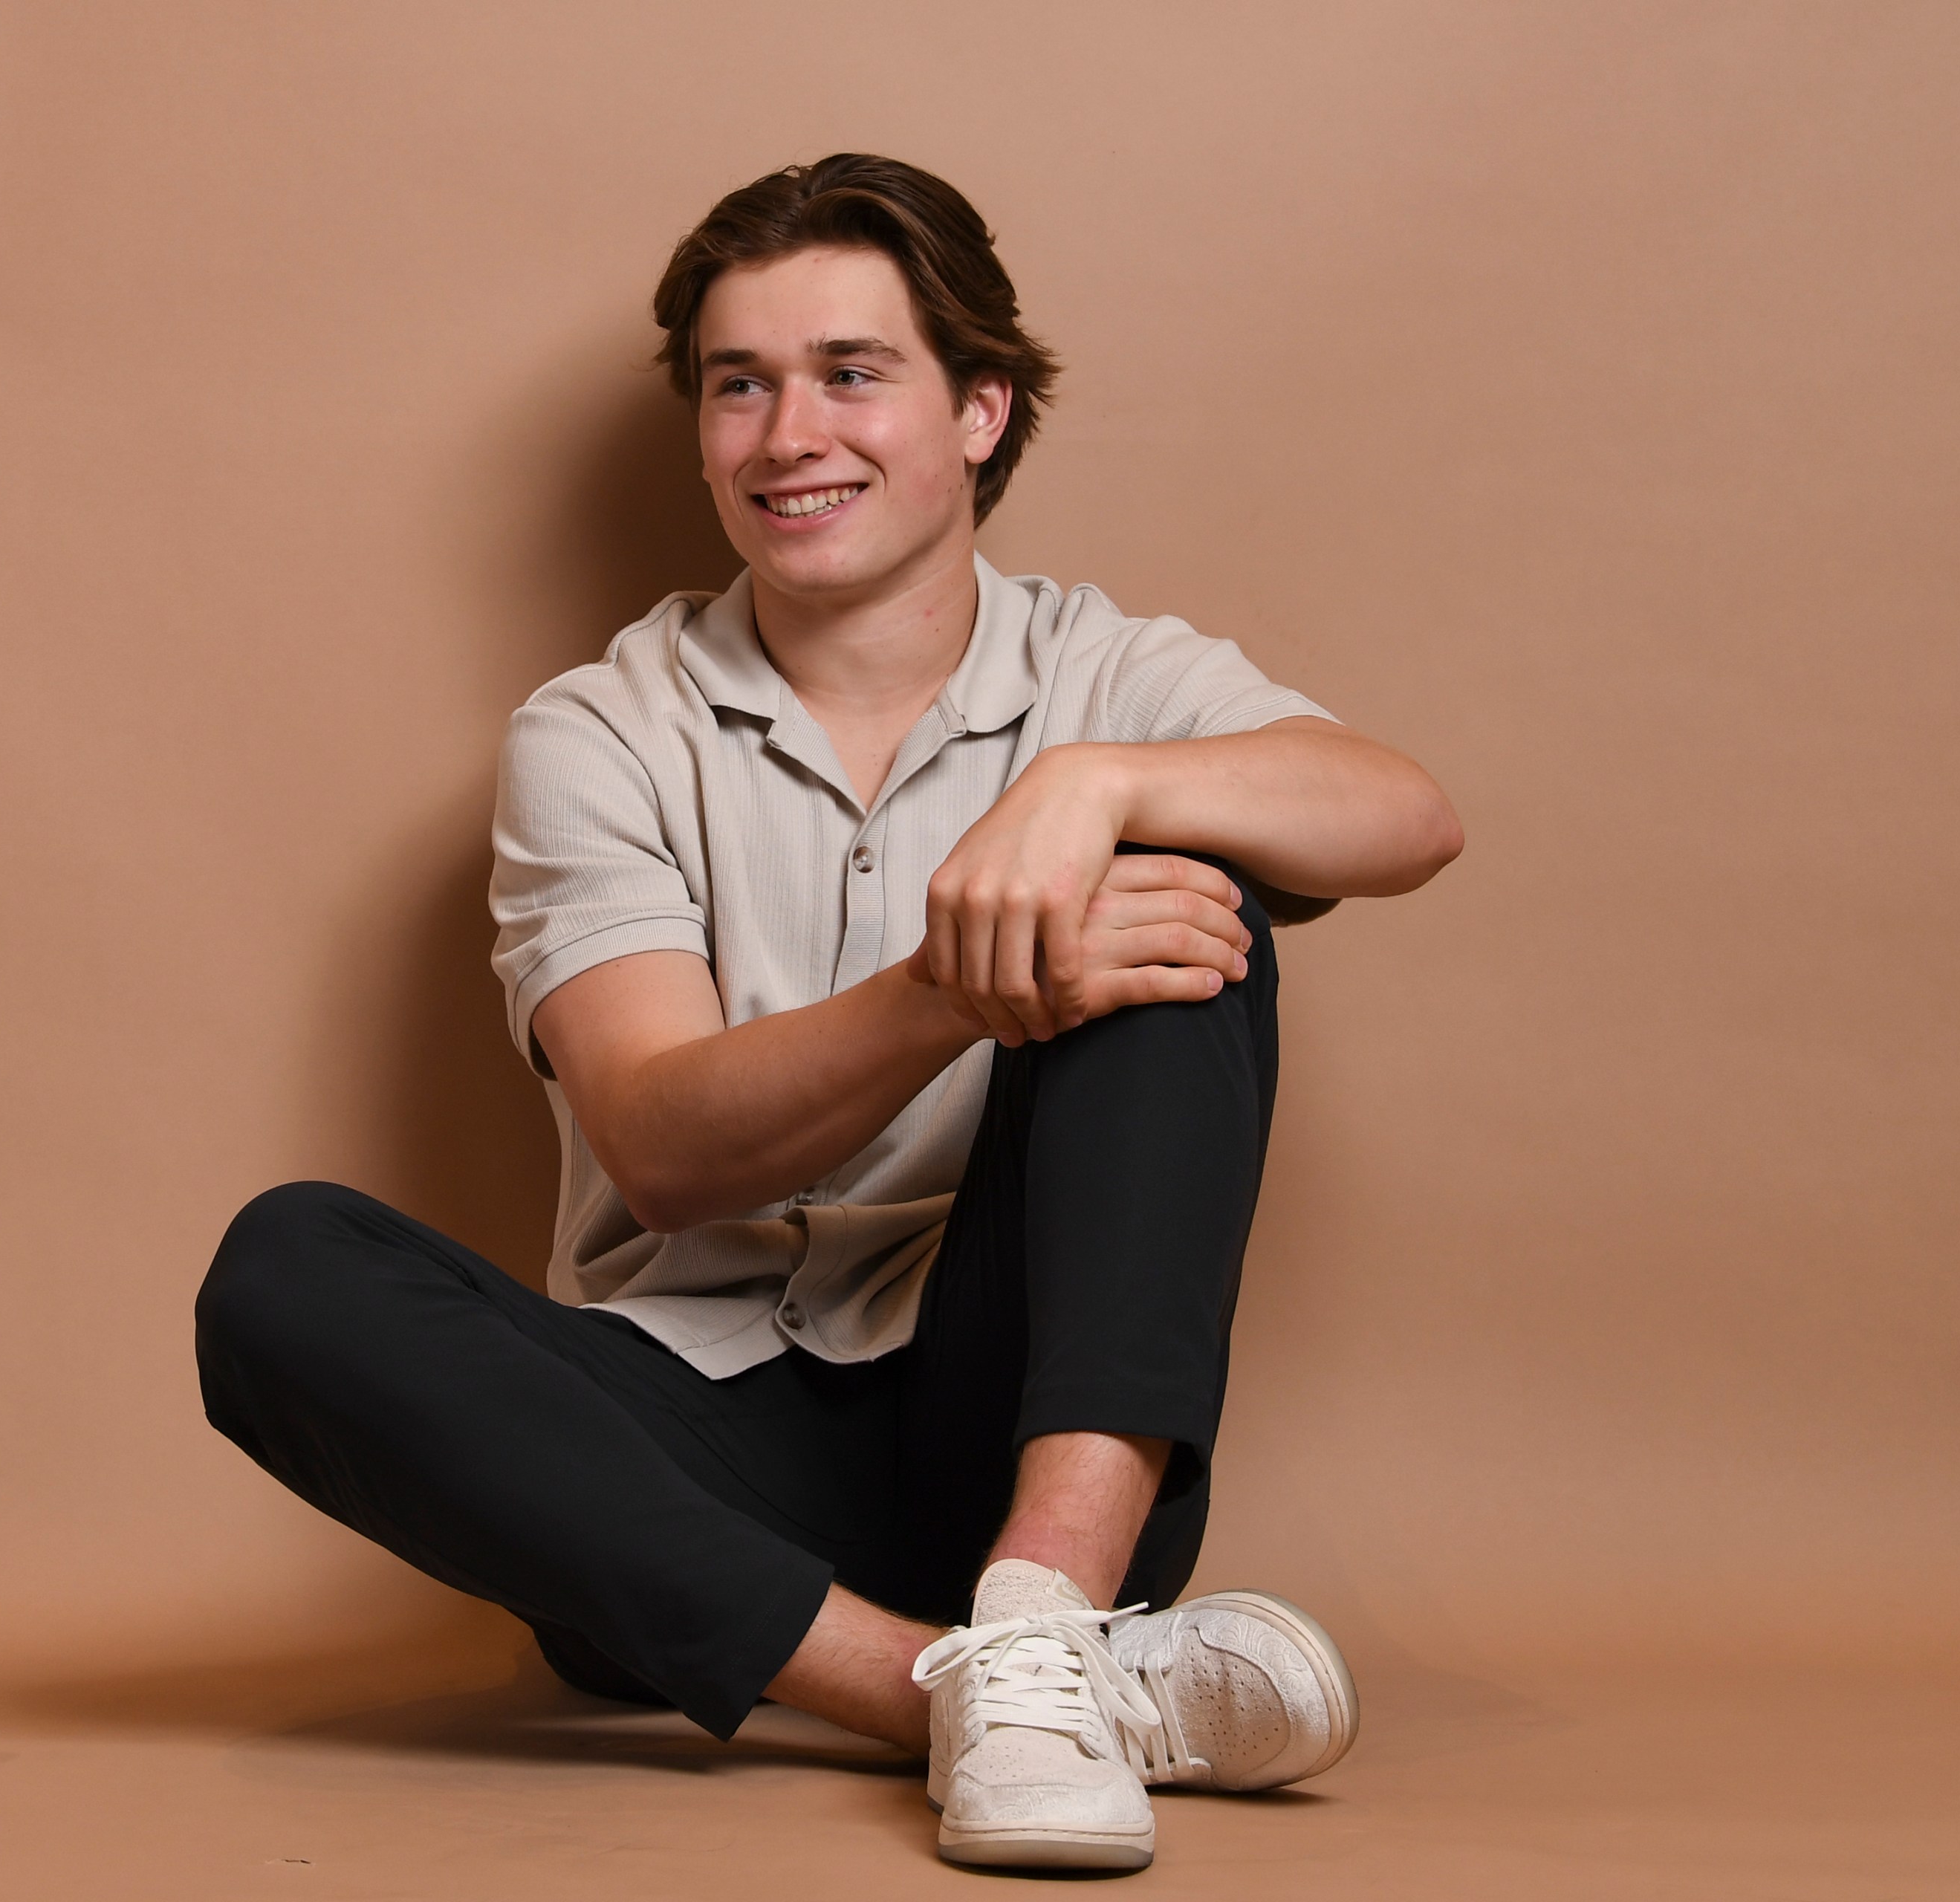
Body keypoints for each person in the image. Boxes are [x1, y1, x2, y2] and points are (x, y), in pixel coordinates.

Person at [195, 153, 1461, 1874]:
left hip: (1021, 1428)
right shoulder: (600, 728)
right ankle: (984, 1692)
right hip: (682, 1478)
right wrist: (953, 989)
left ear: (980, 412)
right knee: (284, 1273)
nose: (791, 431)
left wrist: (1096, 786)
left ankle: (1046, 1599)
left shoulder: (1101, 672)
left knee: (1187, 908)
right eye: (741, 384)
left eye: (853, 372)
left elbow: (1402, 814)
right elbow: (659, 1146)